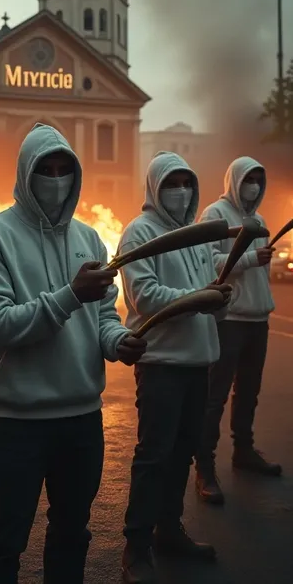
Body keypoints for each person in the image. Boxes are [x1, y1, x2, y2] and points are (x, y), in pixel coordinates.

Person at [0, 123, 147, 584]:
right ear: (27, 173)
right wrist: (69, 295)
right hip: (13, 422)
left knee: (72, 535)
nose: (57, 178)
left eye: (66, 169)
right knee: (0, 544)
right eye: (46, 169)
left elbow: (103, 315)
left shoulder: (89, 240)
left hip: (81, 420)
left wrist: (116, 341)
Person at [119, 151, 232, 584]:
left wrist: (220, 298)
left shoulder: (198, 234)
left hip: (198, 360)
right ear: (154, 187)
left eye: (186, 183)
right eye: (171, 183)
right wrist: (198, 299)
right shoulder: (138, 234)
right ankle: (136, 545)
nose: (180, 191)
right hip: (162, 363)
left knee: (183, 452)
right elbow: (143, 296)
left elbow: (209, 290)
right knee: (154, 456)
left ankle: (169, 530)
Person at [195, 156, 281, 506]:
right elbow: (206, 261)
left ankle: (243, 450)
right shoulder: (215, 215)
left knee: (249, 392)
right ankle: (204, 466)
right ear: (235, 179)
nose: (255, 186)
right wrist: (248, 259)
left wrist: (261, 260)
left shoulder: (257, 219)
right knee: (214, 396)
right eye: (249, 179)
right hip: (229, 319)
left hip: (258, 319)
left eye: (260, 180)